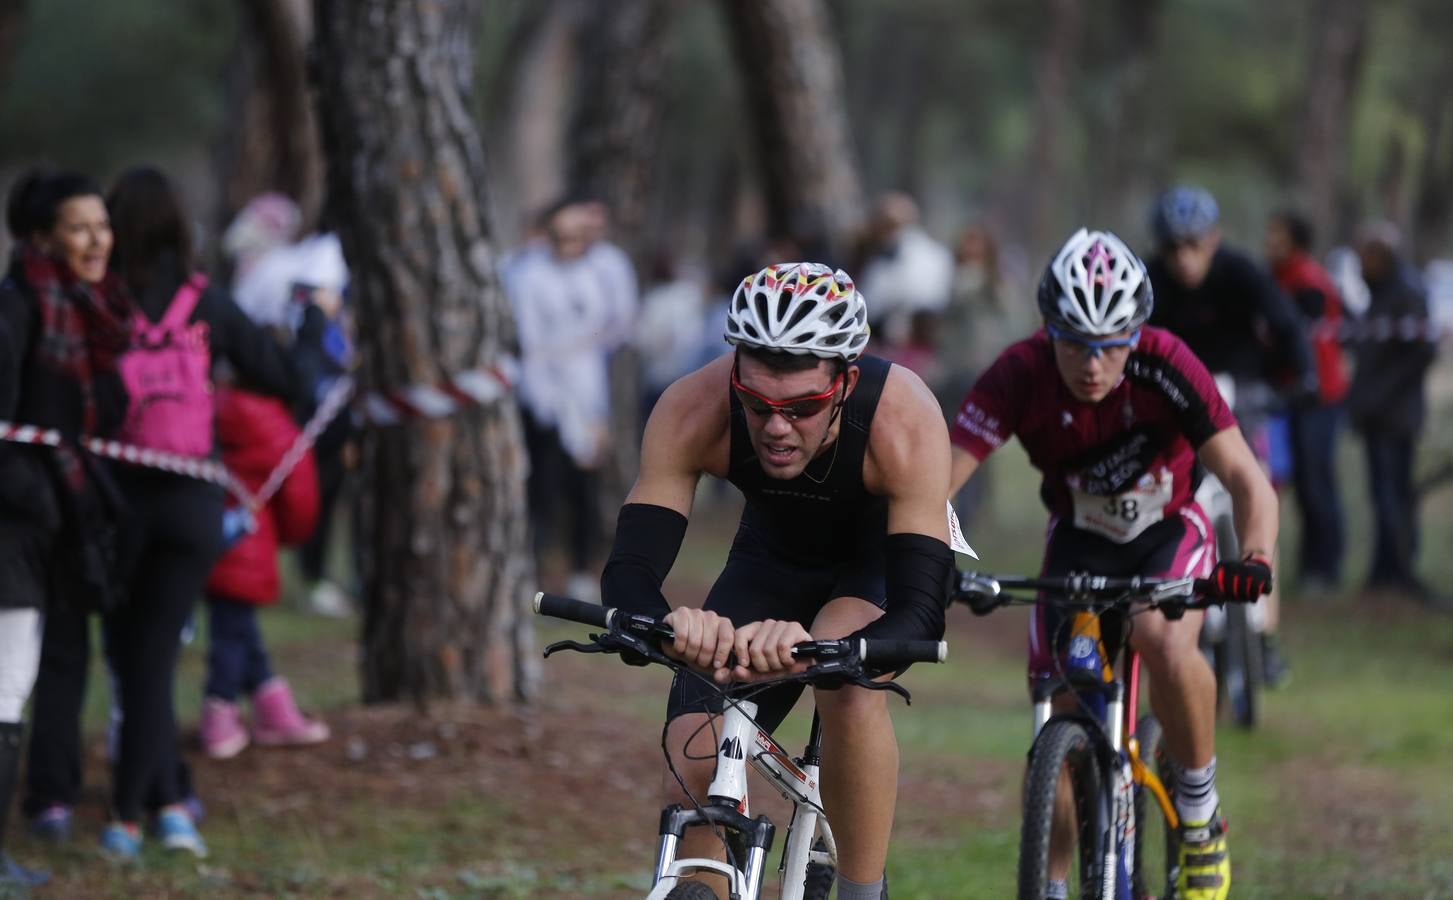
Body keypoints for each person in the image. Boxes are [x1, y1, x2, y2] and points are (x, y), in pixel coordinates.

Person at [601, 262, 954, 900]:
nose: (775, 427)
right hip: (772, 556)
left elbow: (920, 611)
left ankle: (859, 891)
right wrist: (668, 623)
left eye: (802, 407)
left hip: (877, 560)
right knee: (695, 722)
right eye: (757, 403)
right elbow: (629, 573)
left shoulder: (903, 418)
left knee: (845, 684)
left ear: (845, 382)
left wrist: (826, 652)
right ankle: (702, 881)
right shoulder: (694, 407)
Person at [950, 230, 1280, 900]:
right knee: (1060, 709)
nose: (1092, 363)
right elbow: (934, 484)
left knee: (1159, 635)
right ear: (1048, 331)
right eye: (1074, 342)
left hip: (1167, 530)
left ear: (1137, 332)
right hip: (1078, 540)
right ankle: (1050, 881)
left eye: (1110, 343)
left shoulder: (1167, 362)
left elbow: (1247, 479)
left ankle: (1196, 818)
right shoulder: (1019, 373)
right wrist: (929, 559)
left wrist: (1254, 557)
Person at [95, 165, 310, 860]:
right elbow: (286, 382)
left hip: (115, 497)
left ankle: (135, 814)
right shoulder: (207, 303)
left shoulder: (99, 301)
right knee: (153, 659)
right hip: (193, 502)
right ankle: (167, 802)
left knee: (134, 661)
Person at [0, 168, 133, 890]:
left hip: (57, 528)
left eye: (102, 225)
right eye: (79, 227)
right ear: (43, 236)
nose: (96, 240)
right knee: (5, 684)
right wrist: (34, 495)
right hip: (13, 536)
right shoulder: (17, 308)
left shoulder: (87, 312)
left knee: (27, 680)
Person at [1146, 185, 1312, 683]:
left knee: (1257, 501)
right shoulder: (1150, 281)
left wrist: (1296, 381)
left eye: (1194, 244)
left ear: (1213, 239)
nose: (1184, 258)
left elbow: (1288, 328)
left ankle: (1264, 635)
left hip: (1242, 402)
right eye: (1173, 247)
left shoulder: (1242, 274)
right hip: (1176, 407)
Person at [199, 382, 331, 759]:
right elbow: (300, 502)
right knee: (231, 633)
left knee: (238, 628)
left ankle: (271, 703)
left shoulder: (206, 408)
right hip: (251, 548)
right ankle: (219, 709)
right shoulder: (276, 426)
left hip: (204, 540)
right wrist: (285, 537)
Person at [506, 199, 623, 602]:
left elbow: (609, 328)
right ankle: (533, 568)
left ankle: (579, 570)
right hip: (541, 392)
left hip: (586, 391)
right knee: (542, 486)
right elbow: (529, 338)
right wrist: (544, 402)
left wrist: (594, 411)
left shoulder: (597, 273)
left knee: (584, 486)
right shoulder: (529, 275)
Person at [1345, 222, 1439, 602]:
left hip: (1395, 418)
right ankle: (1385, 569)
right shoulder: (1381, 294)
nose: (1361, 265)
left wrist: (1379, 396)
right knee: (1382, 494)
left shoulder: (1406, 293)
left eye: (1367, 257)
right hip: (1378, 416)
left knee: (1393, 495)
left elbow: (1421, 353)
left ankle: (1398, 569)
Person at [1265, 210, 1350, 592]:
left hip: (1320, 398)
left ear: (1295, 241)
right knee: (1301, 481)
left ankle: (1326, 567)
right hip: (1295, 396)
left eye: (1277, 235)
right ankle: (1310, 565)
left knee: (1317, 482)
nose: (1269, 242)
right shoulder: (1280, 278)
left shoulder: (1307, 280)